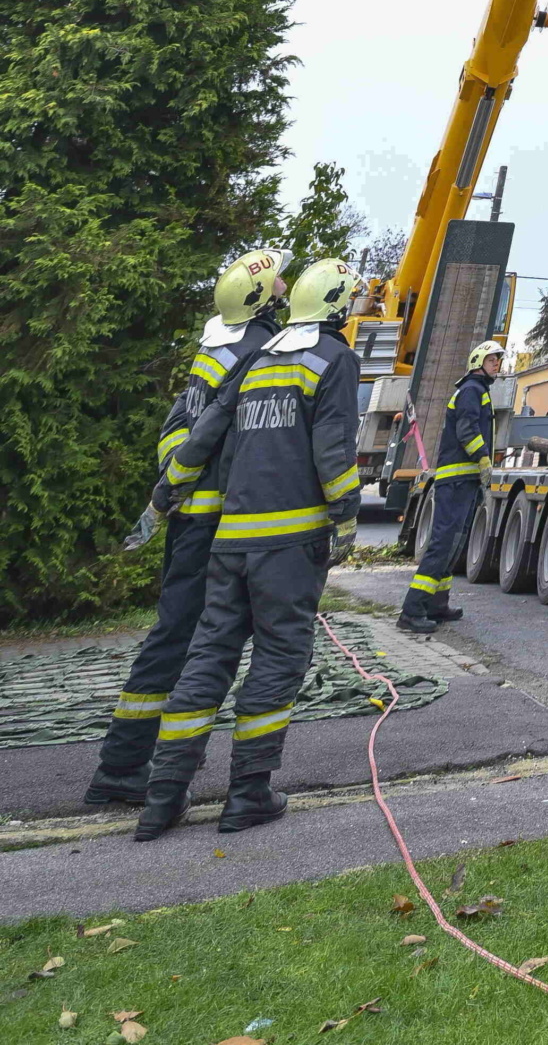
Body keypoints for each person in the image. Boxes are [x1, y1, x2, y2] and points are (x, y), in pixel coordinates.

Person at [132, 256, 362, 841]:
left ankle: (162, 798)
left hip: (229, 542)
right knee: (280, 658)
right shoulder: (334, 359)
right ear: (336, 305)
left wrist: (165, 494)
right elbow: (332, 446)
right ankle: (249, 793)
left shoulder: (259, 357)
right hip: (288, 546)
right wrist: (346, 515)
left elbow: (207, 429)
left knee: (209, 656)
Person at [83, 248, 288, 808]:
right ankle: (124, 766)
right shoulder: (255, 349)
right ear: (261, 297)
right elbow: (222, 436)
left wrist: (171, 487)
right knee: (185, 638)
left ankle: (137, 760)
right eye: (278, 281)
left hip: (190, 515)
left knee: (179, 634)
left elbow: (179, 424)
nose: (286, 286)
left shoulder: (216, 345)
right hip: (211, 522)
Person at [397, 339, 501, 635]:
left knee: (453, 543)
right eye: (492, 360)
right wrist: (483, 458)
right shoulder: (471, 390)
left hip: (463, 481)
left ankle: (436, 604)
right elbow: (467, 430)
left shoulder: (477, 390)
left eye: (498, 360)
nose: (496, 364)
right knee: (443, 543)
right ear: (477, 362)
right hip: (455, 481)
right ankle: (412, 610)